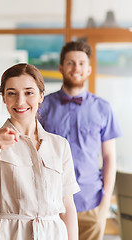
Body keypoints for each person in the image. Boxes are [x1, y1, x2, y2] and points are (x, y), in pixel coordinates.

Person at [0, 63, 80, 240]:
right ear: (3, 98)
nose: (20, 101)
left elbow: (67, 205)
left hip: (53, 234)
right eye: (11, 93)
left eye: (29, 92)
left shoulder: (59, 145)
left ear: (41, 96)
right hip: (9, 234)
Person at [39, 41, 122, 240]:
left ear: (89, 69)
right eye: (70, 63)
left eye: (81, 63)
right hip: (51, 202)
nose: (76, 68)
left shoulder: (103, 108)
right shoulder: (42, 107)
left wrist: (104, 204)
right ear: (60, 68)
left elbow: (109, 158)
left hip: (91, 202)